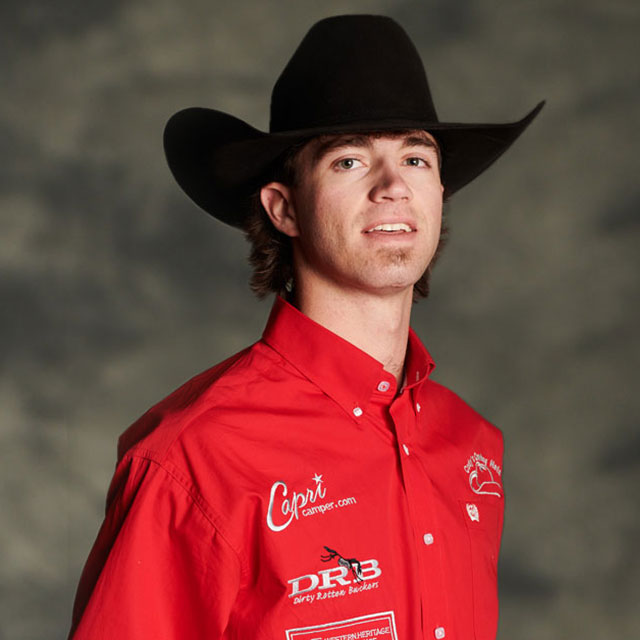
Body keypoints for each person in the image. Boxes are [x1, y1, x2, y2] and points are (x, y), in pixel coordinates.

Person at [68, 14, 543, 640]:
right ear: (284, 208)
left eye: (416, 157)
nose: (393, 186)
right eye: (349, 161)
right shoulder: (195, 459)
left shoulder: (472, 447)